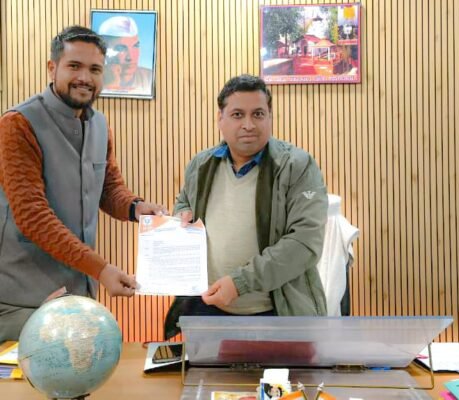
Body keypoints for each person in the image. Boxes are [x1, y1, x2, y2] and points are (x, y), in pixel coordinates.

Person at [0, 26, 168, 342]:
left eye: (94, 69)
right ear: (52, 68)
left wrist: (136, 208)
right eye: (74, 66)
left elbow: (108, 188)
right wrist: (101, 269)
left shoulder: (100, 124)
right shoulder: (17, 124)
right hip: (22, 299)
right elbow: (32, 216)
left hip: (79, 294)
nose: (84, 78)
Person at [164, 75, 328, 339]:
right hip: (207, 310)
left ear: (270, 117)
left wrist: (239, 284)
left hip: (275, 314)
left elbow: (304, 243)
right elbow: (184, 200)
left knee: (278, 371)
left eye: (258, 114)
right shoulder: (201, 164)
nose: (248, 125)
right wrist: (181, 212)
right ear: (220, 118)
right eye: (237, 114)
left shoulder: (297, 166)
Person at [98, 16, 153, 95]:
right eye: (121, 48)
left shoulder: (150, 78)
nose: (130, 57)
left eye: (135, 46)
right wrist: (110, 86)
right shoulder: (93, 78)